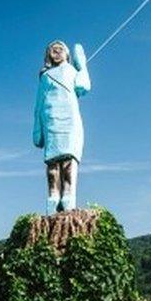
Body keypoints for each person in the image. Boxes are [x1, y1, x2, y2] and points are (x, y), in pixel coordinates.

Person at [32, 40, 91, 214]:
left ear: (66, 53)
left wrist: (82, 66)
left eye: (60, 50)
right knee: (52, 163)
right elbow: (38, 104)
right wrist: (37, 128)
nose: (56, 53)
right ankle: (53, 196)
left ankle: (68, 196)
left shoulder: (72, 71)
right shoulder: (45, 76)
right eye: (53, 50)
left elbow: (83, 86)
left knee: (68, 160)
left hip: (69, 117)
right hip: (50, 118)